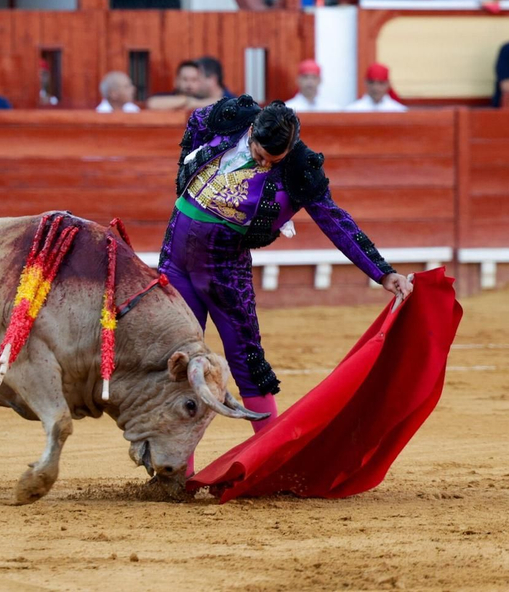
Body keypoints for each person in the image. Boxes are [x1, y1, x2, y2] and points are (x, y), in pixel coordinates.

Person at [162, 97, 411, 448]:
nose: (262, 162)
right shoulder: (232, 119)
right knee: (176, 359)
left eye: (270, 160)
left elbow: (335, 220)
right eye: (259, 153)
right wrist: (184, 171)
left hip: (224, 270)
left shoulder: (299, 167)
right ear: (251, 131)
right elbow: (196, 122)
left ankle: (269, 455)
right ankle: (176, 468)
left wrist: (383, 272)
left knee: (248, 360)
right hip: (175, 255)